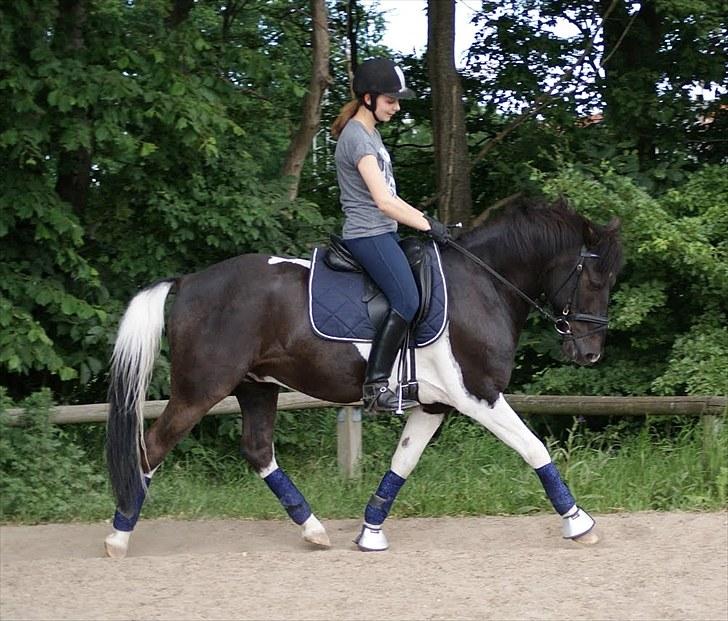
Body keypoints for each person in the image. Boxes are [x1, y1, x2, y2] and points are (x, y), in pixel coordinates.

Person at [331, 57, 451, 413]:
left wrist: (425, 220)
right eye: (390, 100)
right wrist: (428, 225)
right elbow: (384, 201)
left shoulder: (371, 133)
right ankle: (375, 385)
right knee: (407, 300)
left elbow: (392, 196)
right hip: (368, 234)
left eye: (397, 101)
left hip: (383, 231)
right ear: (368, 98)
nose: (397, 107)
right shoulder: (357, 137)